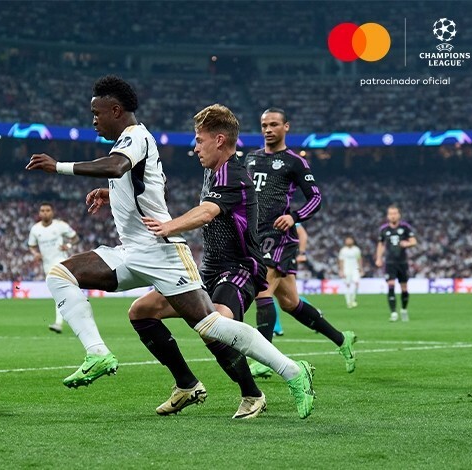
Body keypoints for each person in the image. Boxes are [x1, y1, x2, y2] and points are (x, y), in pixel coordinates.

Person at [26, 76, 315, 419]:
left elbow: (125, 170)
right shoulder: (138, 145)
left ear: (115, 110)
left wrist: (57, 166)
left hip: (182, 255)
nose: (93, 119)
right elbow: (147, 182)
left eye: (96, 112)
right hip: (137, 250)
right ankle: (107, 357)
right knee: (67, 277)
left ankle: (291, 372)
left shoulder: (138, 139)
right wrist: (113, 194)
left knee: (213, 326)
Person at [130, 104, 315, 419]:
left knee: (214, 323)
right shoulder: (212, 170)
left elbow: (207, 211)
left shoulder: (234, 174)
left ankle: (270, 385)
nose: (195, 146)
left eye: (199, 140)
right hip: (209, 269)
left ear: (219, 140)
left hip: (240, 267)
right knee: (141, 311)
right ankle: (186, 384)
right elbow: (178, 194)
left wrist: (169, 226)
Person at [242, 107, 357, 374]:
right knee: (290, 302)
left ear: (286, 127)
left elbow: (315, 198)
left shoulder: (295, 162)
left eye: (273, 124)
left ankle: (264, 359)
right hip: (254, 235)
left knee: (262, 292)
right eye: (264, 125)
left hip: (279, 236)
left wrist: (294, 217)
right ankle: (342, 339)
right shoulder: (250, 158)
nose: (268, 130)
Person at [28, 202, 78, 333]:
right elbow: (31, 245)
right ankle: (73, 311)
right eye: (43, 210)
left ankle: (58, 323)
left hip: (61, 262)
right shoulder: (35, 229)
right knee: (61, 295)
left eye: (48, 210)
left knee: (59, 293)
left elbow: (74, 238)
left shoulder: (60, 226)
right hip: (47, 266)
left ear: (52, 212)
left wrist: (68, 246)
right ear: (39, 213)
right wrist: (35, 254)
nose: (45, 213)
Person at [375, 205, 417, 322]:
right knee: (391, 285)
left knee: (404, 287)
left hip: (402, 262)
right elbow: (381, 245)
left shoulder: (405, 227)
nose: (392, 216)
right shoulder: (384, 229)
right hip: (390, 262)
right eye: (390, 213)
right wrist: (379, 258)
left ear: (399, 215)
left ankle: (403, 310)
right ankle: (393, 313)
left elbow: (414, 241)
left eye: (395, 213)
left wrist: (407, 244)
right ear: (388, 216)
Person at [273, 222, 308, 336]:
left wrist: (302, 253)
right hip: (271, 258)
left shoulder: (283, 211)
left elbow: (302, 233)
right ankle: (314, 313)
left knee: (270, 293)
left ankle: (276, 327)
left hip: (283, 258)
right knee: (283, 294)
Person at [339, 235, 363, 309]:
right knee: (347, 285)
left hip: (355, 269)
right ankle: (348, 301)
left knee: (356, 283)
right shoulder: (343, 250)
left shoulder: (356, 249)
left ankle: (353, 298)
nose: (349, 241)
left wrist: (361, 269)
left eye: (350, 240)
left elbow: (359, 259)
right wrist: (341, 270)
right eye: (347, 240)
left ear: (353, 241)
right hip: (346, 269)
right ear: (345, 241)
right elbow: (341, 261)